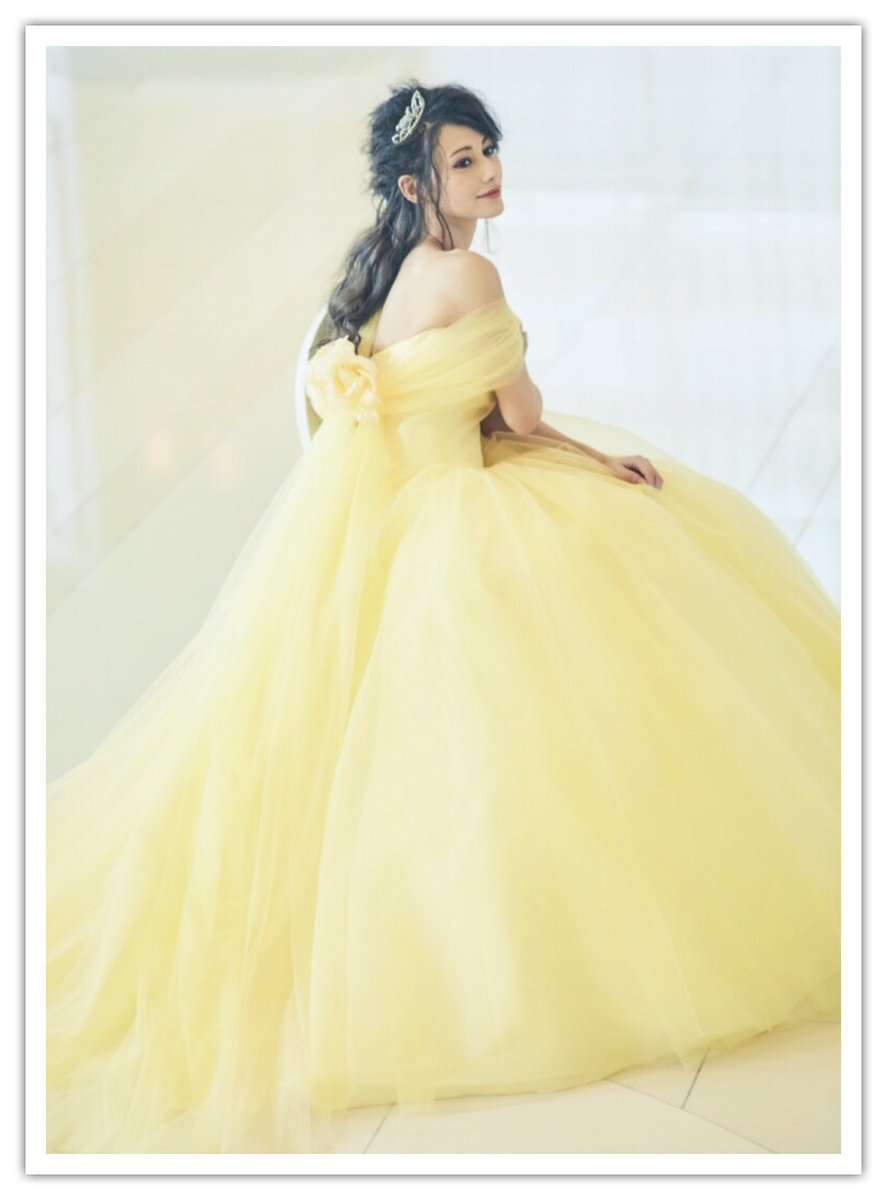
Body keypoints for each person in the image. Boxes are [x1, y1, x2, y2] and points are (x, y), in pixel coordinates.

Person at [46, 80, 841, 1155]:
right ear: (420, 185)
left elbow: (419, 400)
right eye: (465, 161)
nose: (489, 172)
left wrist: (559, 444)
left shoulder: (382, 267)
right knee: (611, 594)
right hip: (455, 497)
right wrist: (593, 458)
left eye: (489, 151)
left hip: (384, 500)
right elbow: (520, 416)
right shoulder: (471, 272)